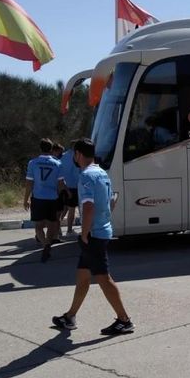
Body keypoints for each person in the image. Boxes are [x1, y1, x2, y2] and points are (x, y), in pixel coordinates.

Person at [52, 138, 134, 335]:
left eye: (74, 153)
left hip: (94, 234)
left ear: (78, 154)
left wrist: (86, 232)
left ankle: (124, 320)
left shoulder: (87, 176)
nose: (73, 157)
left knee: (103, 278)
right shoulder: (101, 173)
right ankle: (70, 316)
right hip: (102, 229)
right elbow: (111, 200)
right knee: (82, 276)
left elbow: (88, 207)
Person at [24, 138, 62, 262]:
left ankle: (45, 244)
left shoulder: (33, 163)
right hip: (52, 198)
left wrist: (25, 199)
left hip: (38, 198)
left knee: (39, 226)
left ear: (40, 148)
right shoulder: (57, 163)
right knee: (52, 224)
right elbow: (60, 183)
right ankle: (48, 244)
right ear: (51, 149)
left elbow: (29, 183)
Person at [58, 140, 80, 237]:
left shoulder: (63, 156)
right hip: (74, 185)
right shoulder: (78, 156)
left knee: (64, 208)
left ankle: (57, 228)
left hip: (64, 185)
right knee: (72, 209)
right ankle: (69, 230)